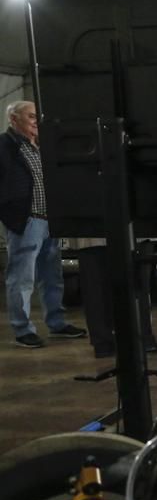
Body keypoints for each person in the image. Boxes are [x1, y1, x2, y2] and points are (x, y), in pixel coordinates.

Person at [0, 101, 86, 348]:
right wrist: (9, 213)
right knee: (22, 278)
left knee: (52, 277)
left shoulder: (41, 146)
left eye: (38, 116)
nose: (36, 121)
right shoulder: (4, 145)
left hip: (50, 221)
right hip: (25, 221)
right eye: (31, 116)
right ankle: (22, 330)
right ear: (14, 119)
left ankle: (57, 324)